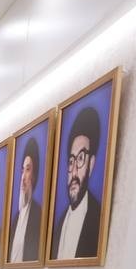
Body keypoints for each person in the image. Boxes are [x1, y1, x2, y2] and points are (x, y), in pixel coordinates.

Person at [51, 107, 103, 260]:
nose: (73, 172)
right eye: (71, 161)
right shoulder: (59, 225)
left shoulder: (98, 219)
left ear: (91, 164)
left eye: (80, 159)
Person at [7, 137, 44, 263]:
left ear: (34, 175)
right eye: (22, 170)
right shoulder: (15, 219)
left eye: (28, 170)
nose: (23, 177)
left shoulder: (39, 215)